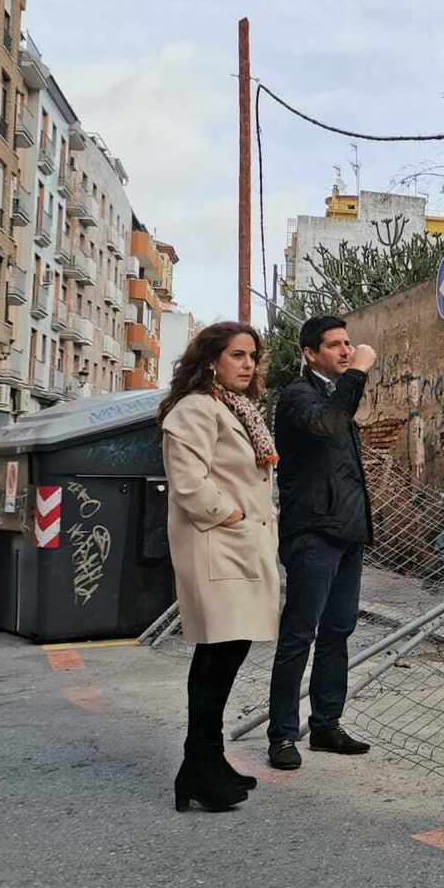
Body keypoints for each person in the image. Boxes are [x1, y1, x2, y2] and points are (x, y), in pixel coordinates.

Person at [159, 321, 281, 812]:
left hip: (240, 546)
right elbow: (188, 484)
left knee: (226, 652)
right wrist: (232, 516)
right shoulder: (194, 410)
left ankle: (208, 758)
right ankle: (198, 764)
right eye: (237, 355)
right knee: (217, 655)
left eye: (252, 355)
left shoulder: (236, 407)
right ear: (211, 360)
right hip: (217, 546)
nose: (248, 364)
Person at [266, 314, 378, 770]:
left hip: (347, 531)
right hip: (312, 533)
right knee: (299, 633)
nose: (346, 351)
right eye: (335, 345)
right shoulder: (299, 396)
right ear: (310, 354)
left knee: (338, 631)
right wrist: (358, 375)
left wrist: (360, 528)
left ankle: (326, 725)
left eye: (348, 344)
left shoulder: (335, 396)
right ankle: (282, 735)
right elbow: (325, 427)